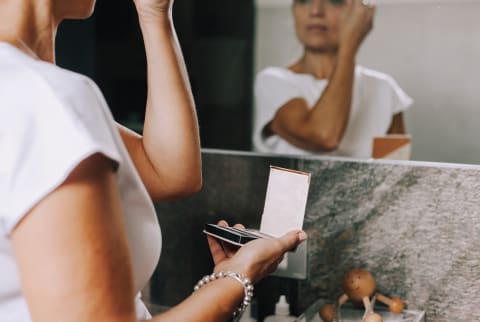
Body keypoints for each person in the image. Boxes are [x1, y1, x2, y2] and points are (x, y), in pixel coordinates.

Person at [0, 0, 307, 321]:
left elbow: (170, 172)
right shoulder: (47, 98)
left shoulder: (29, 91)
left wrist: (154, 15)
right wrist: (239, 275)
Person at [253, 0, 413, 159]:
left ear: (360, 12)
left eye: (334, 1)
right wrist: (349, 46)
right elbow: (324, 136)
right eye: (303, 0)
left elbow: (396, 178)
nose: (315, 11)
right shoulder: (273, 81)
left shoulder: (384, 89)